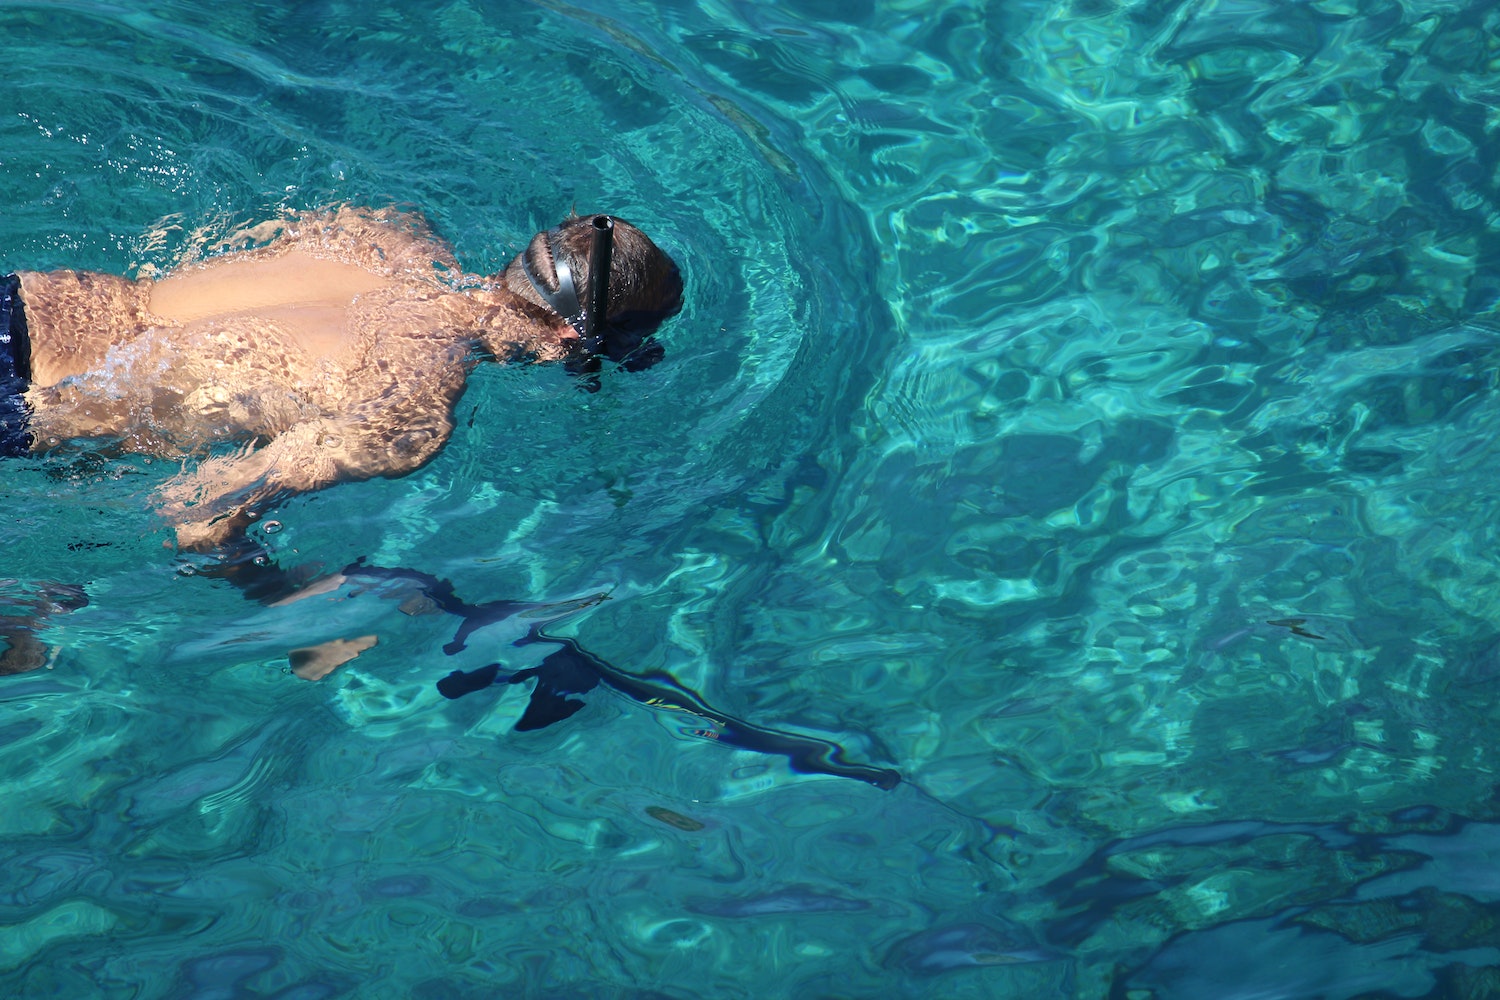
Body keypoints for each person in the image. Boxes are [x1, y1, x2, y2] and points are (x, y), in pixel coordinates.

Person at [1, 205, 683, 552]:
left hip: (31, 302)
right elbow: (196, 509)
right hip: (24, 403)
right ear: (573, 339)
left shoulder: (387, 233)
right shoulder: (412, 406)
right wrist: (287, 599)